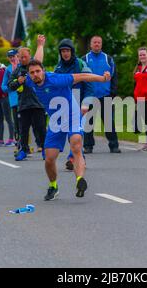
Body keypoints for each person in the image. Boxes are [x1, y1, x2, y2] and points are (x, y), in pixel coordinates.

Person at [24, 59, 111, 201]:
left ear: (43, 71)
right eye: (32, 72)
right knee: (49, 159)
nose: (35, 74)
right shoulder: (29, 81)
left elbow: (82, 76)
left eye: (38, 71)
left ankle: (80, 180)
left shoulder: (57, 79)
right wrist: (40, 45)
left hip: (72, 117)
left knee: (76, 145)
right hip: (55, 121)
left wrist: (102, 78)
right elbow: (36, 59)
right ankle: (53, 186)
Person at [54, 39, 93, 170]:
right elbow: (55, 87)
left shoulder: (81, 64)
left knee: (76, 133)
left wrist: (86, 103)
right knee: (70, 133)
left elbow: (90, 86)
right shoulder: (58, 68)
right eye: (63, 51)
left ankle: (73, 158)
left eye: (68, 51)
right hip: (65, 104)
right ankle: (78, 157)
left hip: (80, 103)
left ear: (72, 51)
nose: (65, 53)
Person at [83, 35, 121, 154]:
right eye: (94, 42)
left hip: (106, 95)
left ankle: (114, 145)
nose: (97, 44)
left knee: (109, 121)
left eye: (99, 42)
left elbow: (114, 76)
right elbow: (80, 77)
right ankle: (88, 146)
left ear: (101, 44)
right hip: (89, 95)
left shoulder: (108, 58)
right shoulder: (84, 59)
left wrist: (113, 92)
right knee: (88, 123)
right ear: (91, 44)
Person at [8, 45, 46, 162]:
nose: (23, 59)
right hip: (23, 105)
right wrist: (18, 82)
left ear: (30, 56)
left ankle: (45, 149)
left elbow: (45, 79)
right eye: (21, 57)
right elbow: (10, 85)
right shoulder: (17, 71)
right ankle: (23, 150)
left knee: (41, 128)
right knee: (23, 130)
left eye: (25, 57)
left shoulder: (35, 68)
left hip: (37, 103)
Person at [2, 49, 21, 149]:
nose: (12, 58)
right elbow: (3, 87)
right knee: (17, 124)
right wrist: (12, 87)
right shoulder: (8, 70)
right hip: (14, 100)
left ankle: (30, 144)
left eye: (13, 56)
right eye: (10, 57)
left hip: (25, 100)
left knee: (26, 123)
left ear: (18, 56)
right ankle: (19, 144)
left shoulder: (23, 67)